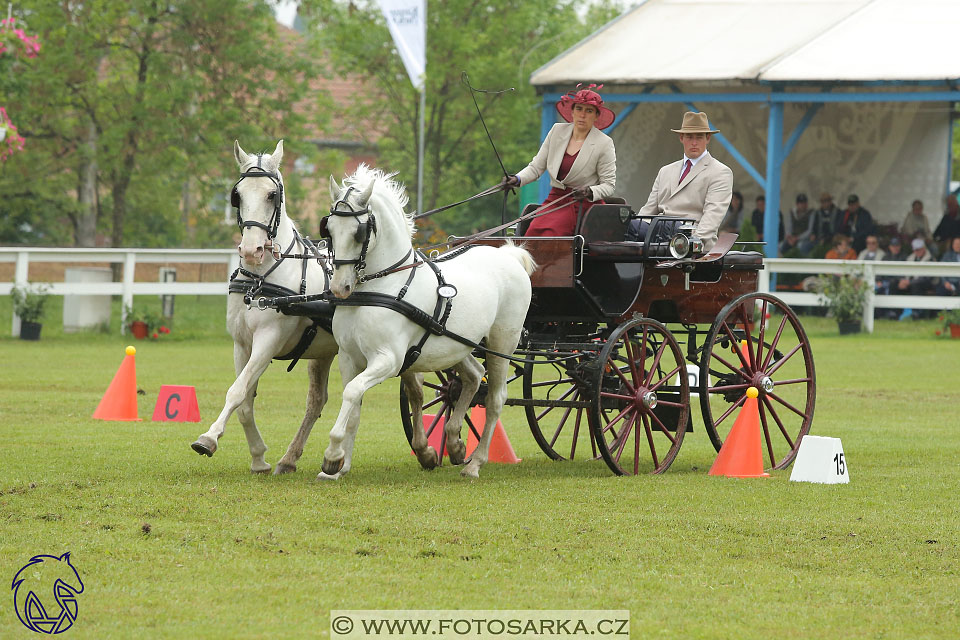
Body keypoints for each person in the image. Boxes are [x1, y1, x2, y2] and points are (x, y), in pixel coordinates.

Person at [506, 84, 616, 236]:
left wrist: (589, 191)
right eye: (579, 109)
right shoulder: (557, 131)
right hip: (555, 199)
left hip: (583, 204)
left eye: (589, 111)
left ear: (596, 116)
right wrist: (517, 179)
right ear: (572, 111)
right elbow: (536, 167)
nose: (582, 115)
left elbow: (609, 185)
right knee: (531, 234)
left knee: (550, 235)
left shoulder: (604, 143)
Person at [626, 111, 733, 252]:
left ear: (708, 138)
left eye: (699, 137)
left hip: (690, 237)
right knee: (625, 224)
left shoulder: (720, 172)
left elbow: (712, 216)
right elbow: (648, 210)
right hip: (658, 235)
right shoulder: (665, 171)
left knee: (664, 225)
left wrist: (693, 242)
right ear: (681, 138)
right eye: (689, 137)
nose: (694, 143)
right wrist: (635, 227)